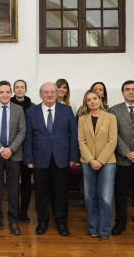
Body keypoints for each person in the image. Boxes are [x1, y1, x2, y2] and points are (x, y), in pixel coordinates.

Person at [23, 82, 79, 236]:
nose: (49, 94)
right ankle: (42, 221)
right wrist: (28, 158)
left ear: (57, 93)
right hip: (39, 159)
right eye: (45, 92)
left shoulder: (66, 110)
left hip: (62, 158)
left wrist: (74, 156)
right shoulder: (31, 112)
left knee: (61, 193)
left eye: (52, 92)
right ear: (40, 94)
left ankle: (61, 222)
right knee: (41, 193)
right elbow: (28, 138)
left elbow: (74, 135)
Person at [0, 81, 26, 235]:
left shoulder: (19, 109)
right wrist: (1, 149)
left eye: (7, 92)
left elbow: (22, 131)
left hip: (14, 155)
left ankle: (14, 220)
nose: (5, 95)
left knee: (14, 189)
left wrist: (11, 149)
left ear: (11, 93)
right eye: (1, 92)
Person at [78, 89, 117, 239]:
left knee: (106, 197)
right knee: (89, 197)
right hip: (87, 162)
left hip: (107, 162)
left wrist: (100, 160)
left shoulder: (111, 118)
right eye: (89, 100)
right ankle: (92, 228)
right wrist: (91, 160)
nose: (92, 101)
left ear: (100, 100)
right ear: (86, 103)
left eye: (95, 98)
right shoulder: (82, 119)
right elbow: (81, 141)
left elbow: (112, 140)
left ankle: (105, 230)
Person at [109, 80, 134, 235]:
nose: (131, 92)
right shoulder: (114, 110)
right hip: (122, 159)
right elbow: (113, 135)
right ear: (122, 92)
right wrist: (127, 152)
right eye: (127, 89)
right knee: (120, 193)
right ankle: (120, 223)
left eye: (133, 89)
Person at [11, 79, 35, 223]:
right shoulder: (9, 104)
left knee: (26, 183)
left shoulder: (32, 107)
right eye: (17, 87)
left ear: (26, 90)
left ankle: (24, 212)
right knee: (13, 182)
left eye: (22, 87)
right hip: (12, 149)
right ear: (14, 90)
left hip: (27, 149)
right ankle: (13, 211)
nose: (19, 90)